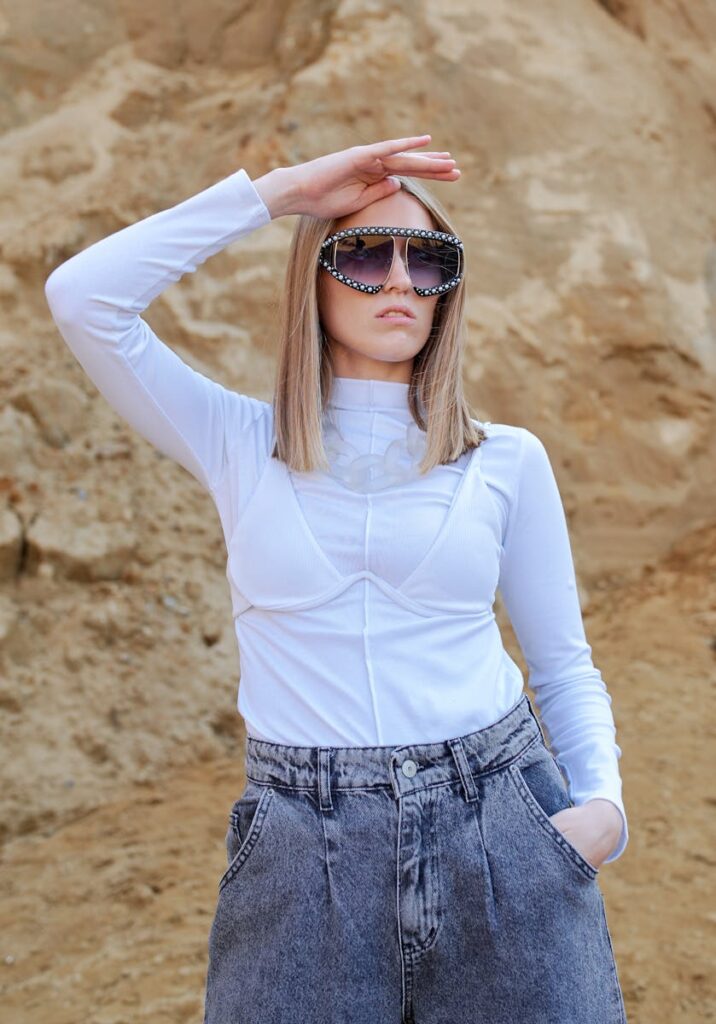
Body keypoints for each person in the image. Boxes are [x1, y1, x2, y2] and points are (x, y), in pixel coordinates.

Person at [44, 135, 629, 1023]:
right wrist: (281, 195)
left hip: (502, 827)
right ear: (311, 279)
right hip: (300, 850)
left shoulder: (505, 460)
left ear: (447, 290)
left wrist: (604, 814)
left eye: (426, 260)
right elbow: (83, 299)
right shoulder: (239, 443)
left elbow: (564, 663)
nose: (399, 279)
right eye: (362, 252)